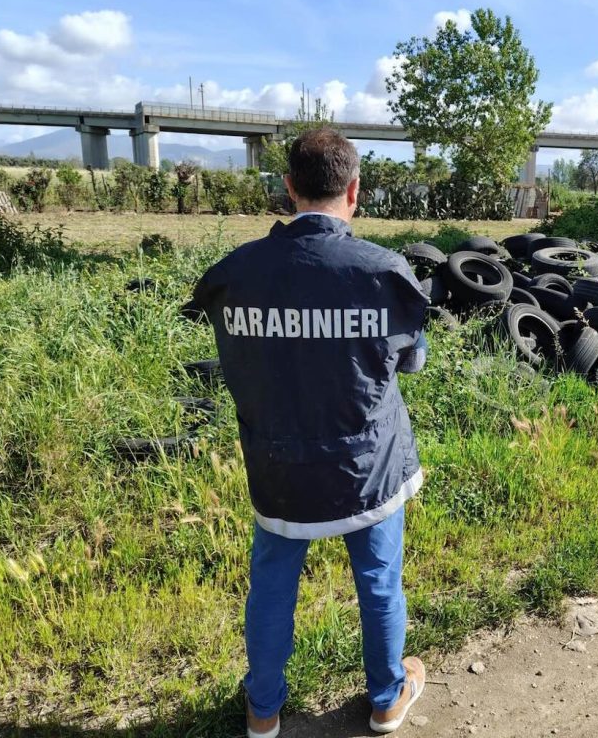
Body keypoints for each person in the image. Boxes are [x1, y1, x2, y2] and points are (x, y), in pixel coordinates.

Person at [184, 127, 430, 737]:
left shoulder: (233, 274)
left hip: (276, 471)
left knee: (271, 586)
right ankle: (385, 700)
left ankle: (262, 711)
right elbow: (411, 361)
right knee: (378, 584)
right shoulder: (384, 273)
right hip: (367, 470)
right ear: (354, 191)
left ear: (288, 188)